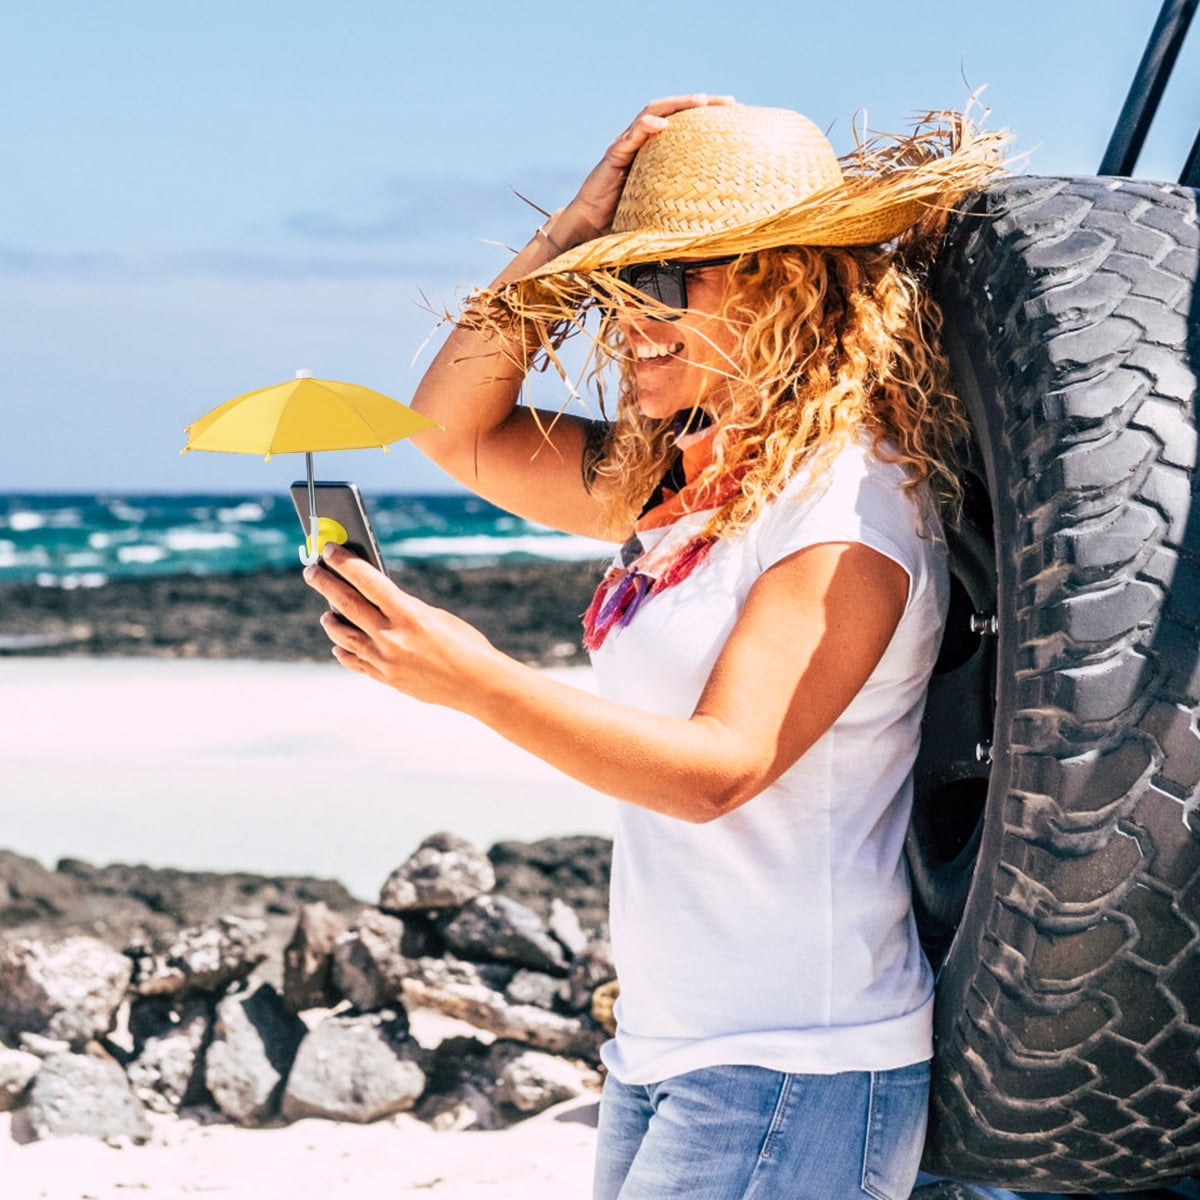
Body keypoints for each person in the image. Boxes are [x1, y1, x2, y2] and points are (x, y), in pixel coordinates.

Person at [304, 95, 1004, 1200]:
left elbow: (721, 770)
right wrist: (570, 233)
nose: (629, 317)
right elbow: (449, 430)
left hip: (797, 1060)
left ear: (784, 282)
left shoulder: (847, 510)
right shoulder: (686, 491)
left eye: (667, 281)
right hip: (671, 1048)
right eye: (614, 286)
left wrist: (475, 681)